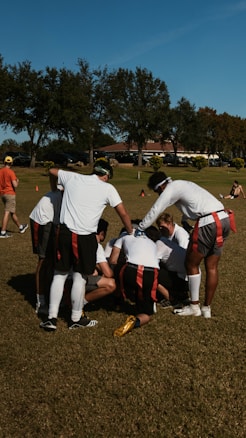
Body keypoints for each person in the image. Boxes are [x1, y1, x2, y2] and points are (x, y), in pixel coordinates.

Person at [40, 160, 133, 331]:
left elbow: (52, 171)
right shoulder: (108, 188)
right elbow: (123, 212)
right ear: (106, 176)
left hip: (65, 233)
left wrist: (54, 189)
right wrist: (130, 230)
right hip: (86, 237)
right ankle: (75, 318)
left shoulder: (73, 177)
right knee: (79, 276)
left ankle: (51, 318)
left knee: (59, 274)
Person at [136, 171, 232, 318]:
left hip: (209, 222)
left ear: (160, 187)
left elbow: (156, 209)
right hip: (224, 218)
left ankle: (194, 307)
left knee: (191, 264)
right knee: (212, 267)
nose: (158, 195)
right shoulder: (184, 184)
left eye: (157, 192)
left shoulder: (171, 188)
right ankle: (206, 308)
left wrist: (141, 227)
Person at [109, 225, 159, 337]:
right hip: (152, 272)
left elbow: (113, 260)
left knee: (117, 269)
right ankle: (135, 322)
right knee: (147, 314)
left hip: (130, 270)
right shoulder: (151, 241)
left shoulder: (124, 235)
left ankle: (117, 300)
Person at [29, 175, 63, 315]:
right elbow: (52, 174)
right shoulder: (62, 192)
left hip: (52, 221)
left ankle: (51, 294)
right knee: (44, 260)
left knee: (52, 259)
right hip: (43, 221)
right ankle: (40, 301)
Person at [0, 156, 28, 238]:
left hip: (2, 194)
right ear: (11, 163)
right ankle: (3, 232)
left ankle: (20, 227)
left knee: (12, 212)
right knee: (7, 212)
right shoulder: (11, 172)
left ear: (4, 162)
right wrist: (17, 181)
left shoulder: (0, 171)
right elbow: (15, 185)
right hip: (10, 194)